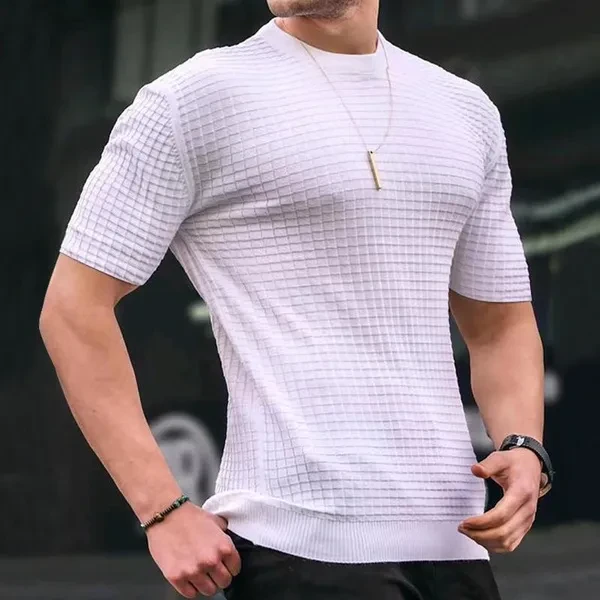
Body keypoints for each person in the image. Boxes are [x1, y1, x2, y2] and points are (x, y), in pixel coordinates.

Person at [40, 1, 553, 598]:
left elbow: (500, 324)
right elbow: (73, 309)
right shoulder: (192, 101)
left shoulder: (464, 110)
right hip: (296, 544)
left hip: (454, 543)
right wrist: (161, 509)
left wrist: (524, 446)